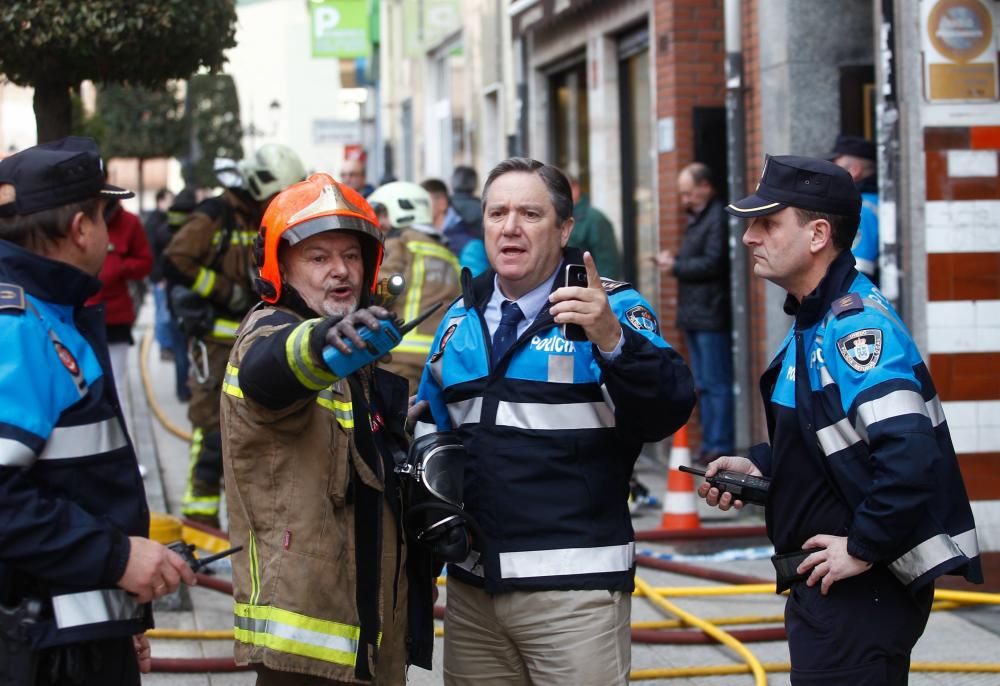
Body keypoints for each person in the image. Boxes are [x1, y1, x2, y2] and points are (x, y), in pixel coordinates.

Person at [413, 157, 696, 685]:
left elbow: (668, 409)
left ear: (565, 229)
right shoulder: (459, 318)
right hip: (474, 595)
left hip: (574, 596)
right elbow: (434, 443)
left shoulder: (609, 309)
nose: (510, 227)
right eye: (497, 213)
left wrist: (612, 338)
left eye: (529, 214)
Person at [703, 154, 982, 684]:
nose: (749, 238)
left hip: (860, 596)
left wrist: (863, 547)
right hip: (833, 593)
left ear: (818, 235)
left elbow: (908, 452)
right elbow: (825, 442)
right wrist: (759, 466)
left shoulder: (855, 330)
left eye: (767, 223)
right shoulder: (812, 320)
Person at [220, 173, 435, 684]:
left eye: (351, 256)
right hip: (307, 646)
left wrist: (385, 429)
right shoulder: (271, 332)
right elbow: (272, 372)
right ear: (280, 266)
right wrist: (321, 343)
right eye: (318, 258)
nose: (340, 271)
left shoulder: (350, 352)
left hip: (364, 632)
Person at [0, 136, 197, 686]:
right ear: (81, 229)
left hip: (70, 638)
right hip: (44, 652)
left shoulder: (46, 312)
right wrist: (115, 558)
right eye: (105, 219)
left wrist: (119, 613)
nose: (113, 241)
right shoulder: (17, 326)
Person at [164, 144, 306, 529]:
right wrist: (223, 290)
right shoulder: (216, 214)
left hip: (258, 336)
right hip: (216, 338)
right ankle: (200, 519)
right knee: (211, 428)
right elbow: (176, 259)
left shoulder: (266, 218)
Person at [656, 162, 734, 463]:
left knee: (716, 384)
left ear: (705, 187)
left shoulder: (716, 218)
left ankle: (720, 443)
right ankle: (712, 443)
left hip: (710, 313)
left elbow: (713, 262)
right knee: (704, 383)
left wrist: (675, 266)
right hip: (697, 312)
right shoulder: (698, 218)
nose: (684, 200)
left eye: (689, 193)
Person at [369, 181, 461, 393]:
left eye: (383, 214)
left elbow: (379, 288)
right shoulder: (447, 254)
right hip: (439, 359)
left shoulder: (400, 243)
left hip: (398, 356)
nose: (380, 222)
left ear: (401, 211)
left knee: (395, 422)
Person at [85, 195, 153, 435]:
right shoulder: (76, 216)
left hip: (115, 317)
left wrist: (117, 267)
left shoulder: (129, 223)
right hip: (79, 315)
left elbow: (146, 262)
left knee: (116, 389)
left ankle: (127, 455)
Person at [829, 134, 879, 279]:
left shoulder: (860, 210)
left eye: (836, 167)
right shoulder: (873, 200)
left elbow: (856, 272)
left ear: (854, 171)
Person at [421, 177, 488, 276]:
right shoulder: (422, 236)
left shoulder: (470, 245)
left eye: (424, 202)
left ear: (442, 203)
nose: (419, 208)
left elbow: (475, 287)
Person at [567, 174, 622, 280]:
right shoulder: (556, 217)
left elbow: (608, 264)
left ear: (575, 189)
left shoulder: (595, 219)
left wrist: (603, 293)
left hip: (587, 290)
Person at [144, 188, 176, 359]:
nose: (172, 203)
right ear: (161, 200)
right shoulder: (155, 222)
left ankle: (166, 345)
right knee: (163, 313)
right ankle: (165, 347)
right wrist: (159, 276)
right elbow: (151, 251)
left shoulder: (161, 220)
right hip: (160, 278)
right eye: (169, 199)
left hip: (162, 276)